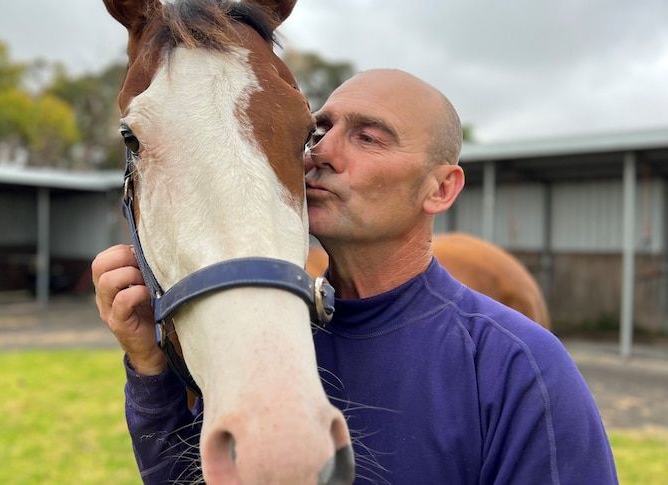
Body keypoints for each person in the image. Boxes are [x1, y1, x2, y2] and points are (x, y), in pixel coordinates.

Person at [92, 69, 618, 484]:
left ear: (441, 189)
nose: (320, 152)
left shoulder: (522, 366)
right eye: (317, 131)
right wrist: (148, 366)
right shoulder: (268, 333)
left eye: (367, 138)